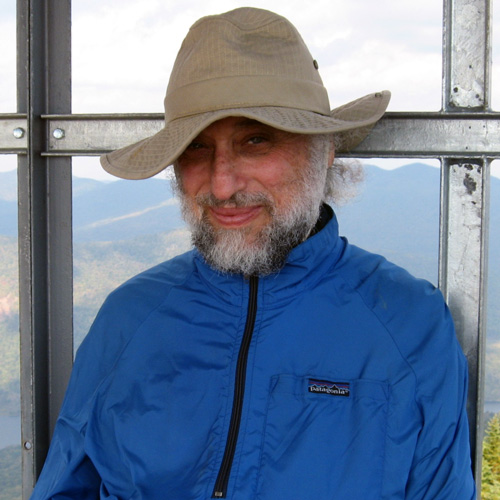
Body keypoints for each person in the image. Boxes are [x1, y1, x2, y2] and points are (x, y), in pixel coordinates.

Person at [31, 7, 476, 500]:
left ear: (323, 150)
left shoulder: (408, 323)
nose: (222, 185)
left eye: (256, 140)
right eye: (197, 148)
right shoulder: (130, 317)